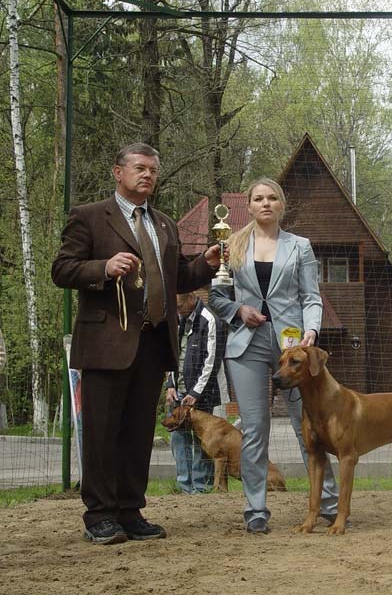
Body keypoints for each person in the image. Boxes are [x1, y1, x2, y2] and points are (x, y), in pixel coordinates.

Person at [51, 143, 221, 545]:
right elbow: (62, 269)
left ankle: (130, 510)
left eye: (153, 171)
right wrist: (103, 268)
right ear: (118, 172)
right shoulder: (90, 217)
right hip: (106, 342)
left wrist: (207, 266)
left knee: (138, 434)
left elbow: (177, 276)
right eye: (140, 169)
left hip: (152, 343)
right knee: (101, 432)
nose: (147, 176)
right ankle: (100, 515)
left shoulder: (163, 224)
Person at [208, 177, 340, 535]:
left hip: (292, 347)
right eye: (258, 199)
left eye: (272, 198)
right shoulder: (231, 245)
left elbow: (311, 297)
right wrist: (239, 311)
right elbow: (216, 297)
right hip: (245, 345)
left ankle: (329, 503)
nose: (265, 204)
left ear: (282, 205)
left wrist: (311, 331)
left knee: (309, 427)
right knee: (254, 429)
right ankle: (255, 510)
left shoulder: (300, 247)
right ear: (248, 206)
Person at [165, 291, 226, 494]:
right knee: (178, 438)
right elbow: (170, 354)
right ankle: (184, 486)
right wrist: (170, 385)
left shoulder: (210, 320)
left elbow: (212, 361)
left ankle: (201, 486)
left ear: (191, 298)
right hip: (178, 391)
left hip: (201, 393)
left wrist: (196, 392)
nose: (178, 312)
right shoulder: (176, 318)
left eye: (180, 307)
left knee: (203, 442)